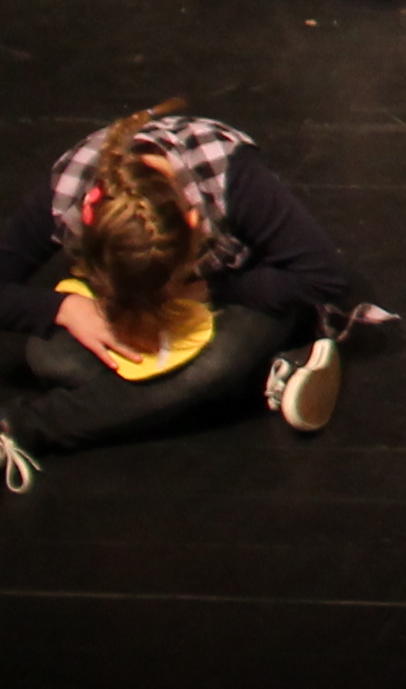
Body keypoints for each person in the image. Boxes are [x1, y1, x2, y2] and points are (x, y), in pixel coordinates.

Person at [1, 103, 354, 491]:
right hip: (124, 307)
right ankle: (263, 378)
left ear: (194, 225)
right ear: (90, 220)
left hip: (232, 297)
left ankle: (21, 426)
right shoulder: (68, 190)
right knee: (50, 358)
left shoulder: (232, 176)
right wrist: (63, 308)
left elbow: (324, 275)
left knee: (213, 366)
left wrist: (217, 289)